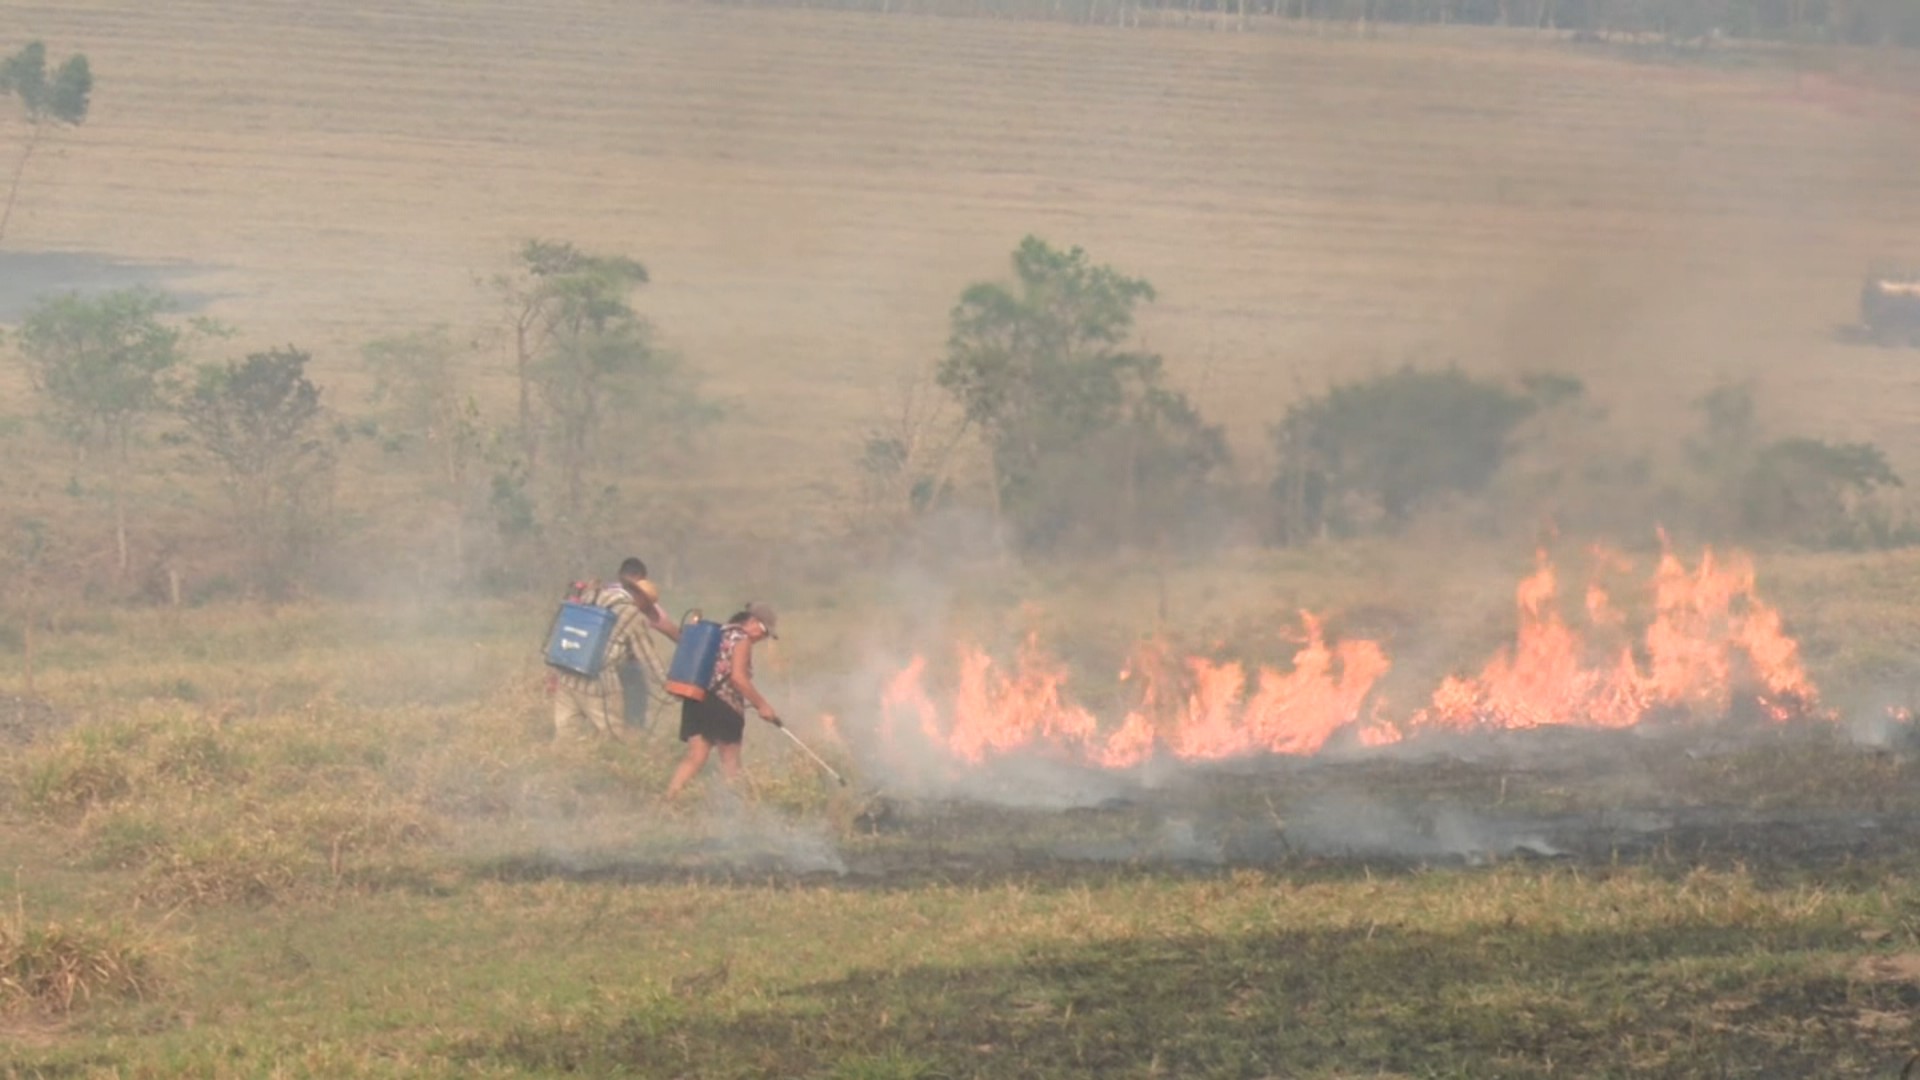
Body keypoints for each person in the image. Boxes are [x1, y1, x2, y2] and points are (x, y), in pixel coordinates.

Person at [552, 557, 679, 741]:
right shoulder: (632, 614)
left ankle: (556, 768)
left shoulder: (593, 595)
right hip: (598, 685)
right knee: (616, 739)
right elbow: (649, 660)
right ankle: (609, 768)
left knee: (565, 739)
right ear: (641, 599)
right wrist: (669, 688)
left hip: (567, 676)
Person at [664, 601, 782, 800]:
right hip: (723, 706)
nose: (762, 637)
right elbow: (738, 679)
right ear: (752, 621)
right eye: (763, 631)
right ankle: (737, 811)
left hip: (696, 700)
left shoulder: (720, 632)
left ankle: (668, 800)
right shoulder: (741, 639)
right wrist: (762, 705)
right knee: (731, 762)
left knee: (695, 758)